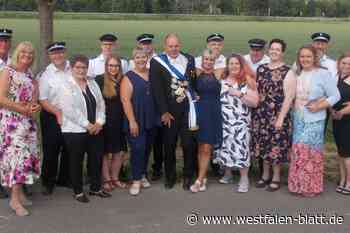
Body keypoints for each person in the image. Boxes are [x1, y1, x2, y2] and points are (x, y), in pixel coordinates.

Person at [288, 45, 340, 197]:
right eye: (302, 56)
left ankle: (311, 187)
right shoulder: (298, 73)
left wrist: (320, 105)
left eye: (308, 56)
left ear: (314, 58)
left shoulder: (323, 73)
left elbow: (335, 96)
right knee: (298, 151)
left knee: (310, 153)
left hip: (315, 120)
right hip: (298, 118)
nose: (305, 59)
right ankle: (297, 185)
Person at [59, 54, 111, 203]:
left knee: (96, 159)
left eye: (84, 67)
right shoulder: (65, 85)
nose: (81, 70)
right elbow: (70, 110)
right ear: (72, 68)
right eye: (78, 67)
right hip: (75, 131)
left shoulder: (92, 83)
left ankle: (96, 188)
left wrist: (100, 123)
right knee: (76, 161)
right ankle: (78, 191)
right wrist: (88, 125)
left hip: (96, 129)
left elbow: (101, 104)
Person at [150, 33, 197, 190]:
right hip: (169, 113)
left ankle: (188, 176)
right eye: (170, 46)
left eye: (176, 45)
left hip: (187, 111)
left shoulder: (189, 59)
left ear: (180, 45)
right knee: (169, 146)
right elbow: (157, 90)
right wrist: (163, 112)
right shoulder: (157, 63)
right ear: (165, 47)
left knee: (188, 145)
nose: (174, 49)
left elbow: (193, 83)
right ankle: (169, 176)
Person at [0, 41, 41, 216]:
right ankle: (14, 200)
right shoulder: (8, 72)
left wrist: (34, 108)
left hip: (27, 123)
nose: (27, 56)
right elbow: (1, 98)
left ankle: (20, 193)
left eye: (30, 54)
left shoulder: (32, 77)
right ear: (17, 53)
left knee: (26, 158)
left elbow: (33, 102)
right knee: (17, 158)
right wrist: (21, 108)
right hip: (11, 123)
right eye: (24, 53)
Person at [251, 39, 295, 192]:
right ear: (269, 50)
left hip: (278, 114)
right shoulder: (261, 69)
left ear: (282, 52)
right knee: (263, 146)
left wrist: (281, 118)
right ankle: (265, 175)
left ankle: (276, 177)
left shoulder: (288, 71)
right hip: (261, 114)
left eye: (278, 49)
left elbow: (289, 97)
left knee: (275, 147)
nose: (274, 51)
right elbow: (257, 90)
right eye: (272, 49)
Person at [213, 54, 259, 193]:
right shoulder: (222, 80)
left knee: (241, 149)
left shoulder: (248, 81)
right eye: (231, 63)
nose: (234, 66)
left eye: (237, 63)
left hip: (240, 122)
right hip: (224, 121)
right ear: (227, 66)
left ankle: (244, 178)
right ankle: (228, 174)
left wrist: (239, 94)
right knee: (225, 147)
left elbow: (255, 102)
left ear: (242, 65)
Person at [120, 48, 158, 195]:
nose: (141, 60)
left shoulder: (152, 74)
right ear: (133, 59)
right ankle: (135, 180)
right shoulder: (128, 77)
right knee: (137, 149)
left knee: (147, 149)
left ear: (147, 58)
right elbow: (125, 101)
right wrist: (132, 121)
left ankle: (142, 174)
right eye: (138, 57)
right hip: (136, 119)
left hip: (151, 118)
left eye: (143, 57)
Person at [129, 33, 164, 181]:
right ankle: (138, 174)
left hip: (155, 111)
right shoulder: (131, 66)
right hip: (138, 111)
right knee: (139, 146)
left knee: (155, 144)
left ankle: (154, 169)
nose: (146, 46)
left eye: (149, 43)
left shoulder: (159, 60)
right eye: (143, 43)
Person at [38, 42, 71, 195]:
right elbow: (43, 99)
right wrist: (57, 113)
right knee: (51, 148)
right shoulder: (45, 74)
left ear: (65, 52)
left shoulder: (74, 68)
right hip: (51, 114)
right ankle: (48, 181)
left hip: (72, 115)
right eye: (54, 53)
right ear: (49, 56)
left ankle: (65, 178)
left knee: (69, 147)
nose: (57, 56)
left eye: (60, 52)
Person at [190, 49, 222, 193]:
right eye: (206, 59)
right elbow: (187, 86)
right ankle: (202, 177)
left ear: (214, 61)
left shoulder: (219, 73)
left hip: (213, 113)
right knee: (201, 146)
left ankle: (200, 179)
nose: (208, 62)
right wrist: (193, 93)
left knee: (207, 147)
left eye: (211, 59)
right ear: (202, 60)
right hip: (199, 113)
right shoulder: (196, 73)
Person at [95, 55, 128, 192]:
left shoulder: (124, 80)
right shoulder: (99, 80)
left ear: (120, 67)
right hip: (105, 121)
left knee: (119, 152)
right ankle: (106, 179)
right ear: (106, 66)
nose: (113, 68)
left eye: (116, 66)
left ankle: (115, 178)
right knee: (105, 152)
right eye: (110, 65)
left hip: (120, 121)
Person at [331, 53, 350, 195]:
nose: (346, 66)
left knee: (347, 154)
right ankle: (343, 180)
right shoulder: (336, 78)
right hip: (337, 120)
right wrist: (332, 110)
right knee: (341, 153)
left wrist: (342, 112)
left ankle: (349, 183)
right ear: (339, 63)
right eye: (344, 63)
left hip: (347, 121)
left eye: (349, 64)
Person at [0, 28, 13, 199]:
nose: (3, 44)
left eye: (6, 41)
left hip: (11, 112)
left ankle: (12, 181)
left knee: (9, 148)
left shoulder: (14, 62)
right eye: (0, 40)